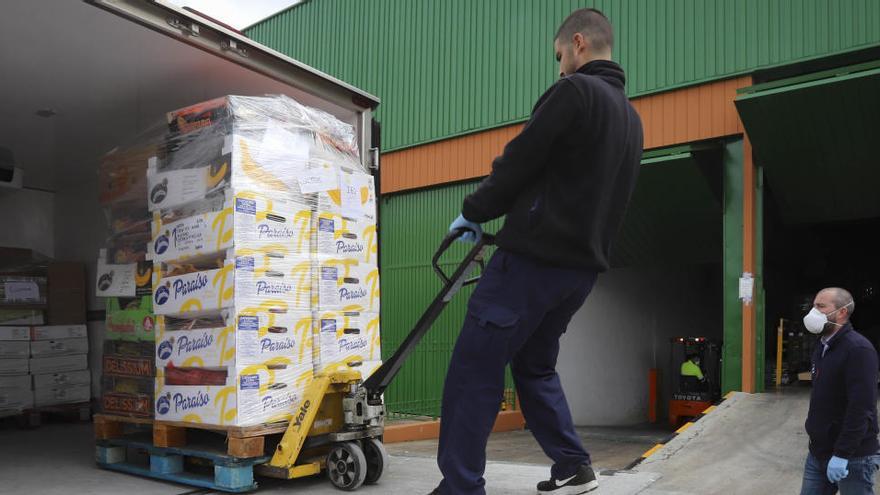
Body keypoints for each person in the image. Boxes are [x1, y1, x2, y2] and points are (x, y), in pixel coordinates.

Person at [431, 8, 643, 495]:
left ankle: (460, 486)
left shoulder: (575, 92)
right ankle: (573, 464)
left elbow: (522, 157)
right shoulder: (631, 120)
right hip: (579, 274)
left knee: (473, 370)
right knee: (533, 365)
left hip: (531, 262)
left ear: (578, 44)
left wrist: (475, 210)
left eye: (559, 56)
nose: (559, 67)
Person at [801, 287, 880, 495]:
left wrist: (842, 454)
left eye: (820, 306)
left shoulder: (858, 350)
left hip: (852, 458)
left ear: (842, 312)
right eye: (813, 306)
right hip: (818, 452)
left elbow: (861, 408)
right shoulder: (821, 347)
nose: (813, 313)